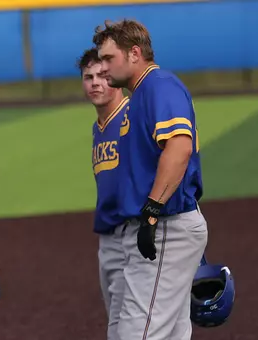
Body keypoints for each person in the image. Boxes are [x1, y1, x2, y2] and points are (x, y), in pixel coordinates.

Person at [93, 19, 208, 340]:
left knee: (137, 331)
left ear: (134, 53)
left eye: (108, 58)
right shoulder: (140, 95)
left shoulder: (159, 86)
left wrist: (152, 212)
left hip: (166, 224)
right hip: (163, 225)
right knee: (167, 332)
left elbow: (179, 147)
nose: (102, 67)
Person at [77, 47, 130, 339]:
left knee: (128, 327)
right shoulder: (99, 128)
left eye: (102, 76)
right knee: (117, 322)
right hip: (107, 237)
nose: (95, 83)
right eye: (88, 77)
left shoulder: (131, 117)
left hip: (132, 235)